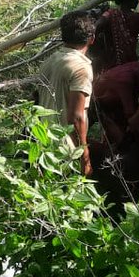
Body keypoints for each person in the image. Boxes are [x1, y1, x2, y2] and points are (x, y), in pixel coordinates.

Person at [36, 10, 96, 176]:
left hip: (44, 146)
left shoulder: (49, 61)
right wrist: (85, 157)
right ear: (92, 38)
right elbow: (75, 118)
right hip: (66, 150)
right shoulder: (80, 67)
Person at [92, 59, 139, 146]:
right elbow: (131, 116)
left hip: (117, 97)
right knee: (122, 138)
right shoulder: (126, 82)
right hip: (102, 101)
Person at [91, 0, 139, 74]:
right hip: (130, 65)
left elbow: (96, 26)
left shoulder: (110, 14)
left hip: (112, 66)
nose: (137, 1)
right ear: (130, 0)